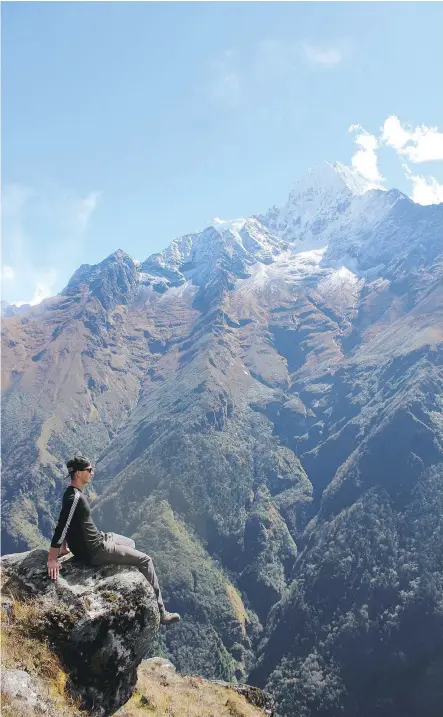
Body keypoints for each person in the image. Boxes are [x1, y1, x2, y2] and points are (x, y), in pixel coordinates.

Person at [47, 455, 180, 626]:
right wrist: (52, 558)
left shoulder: (71, 493)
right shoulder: (75, 498)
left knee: (130, 543)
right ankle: (162, 613)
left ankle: (132, 575)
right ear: (79, 473)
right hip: (96, 549)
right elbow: (62, 525)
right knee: (146, 560)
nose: (92, 472)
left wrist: (64, 547)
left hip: (99, 537)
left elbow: (67, 521)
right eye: (89, 470)